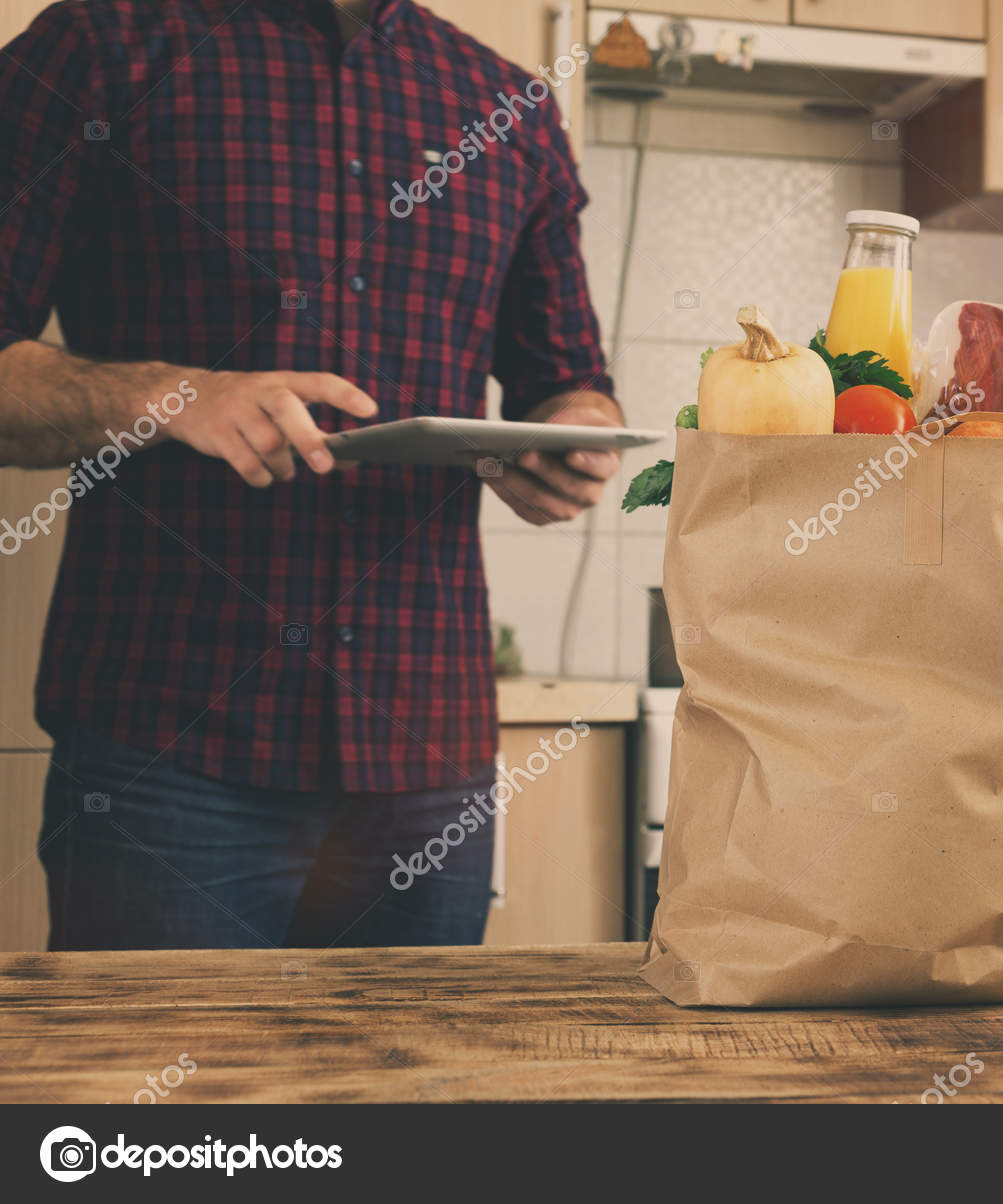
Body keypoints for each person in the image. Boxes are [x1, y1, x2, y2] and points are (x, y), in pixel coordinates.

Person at [0, 0, 621, 949]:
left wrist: (574, 439)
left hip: (428, 759)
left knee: (411, 1100)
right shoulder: (98, 44)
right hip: (165, 751)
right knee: (153, 1100)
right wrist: (175, 396)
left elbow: (570, 382)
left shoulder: (510, 106)